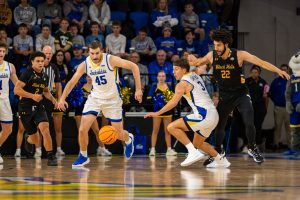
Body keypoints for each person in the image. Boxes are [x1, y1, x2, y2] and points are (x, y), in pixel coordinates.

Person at [188, 29, 290, 165]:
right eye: (215, 45)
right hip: (225, 95)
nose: (216, 48)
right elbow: (197, 63)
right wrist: (192, 60)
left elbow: (261, 63)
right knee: (219, 125)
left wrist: (278, 70)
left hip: (241, 93)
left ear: (226, 44)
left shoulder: (239, 55)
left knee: (249, 121)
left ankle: (252, 147)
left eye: (218, 45)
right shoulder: (212, 56)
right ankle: (218, 152)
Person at [57, 41, 143, 167]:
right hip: (95, 98)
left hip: (112, 100)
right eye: (92, 53)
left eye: (97, 53)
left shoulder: (111, 60)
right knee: (82, 129)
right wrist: (62, 98)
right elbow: (71, 82)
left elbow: (134, 67)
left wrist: (138, 89)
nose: (95, 56)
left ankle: (129, 139)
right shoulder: (85, 64)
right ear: (88, 52)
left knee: (119, 134)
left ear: (101, 51)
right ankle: (83, 155)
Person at [145, 59, 230, 168]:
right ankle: (221, 160)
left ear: (184, 70)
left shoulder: (182, 84)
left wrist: (157, 113)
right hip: (213, 115)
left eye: (176, 69)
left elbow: (173, 102)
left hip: (204, 115)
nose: (173, 72)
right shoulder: (194, 75)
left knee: (171, 127)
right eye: (173, 69)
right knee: (198, 143)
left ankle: (193, 152)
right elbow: (198, 66)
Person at [14, 51, 58, 166]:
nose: (40, 63)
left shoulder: (45, 76)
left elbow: (46, 92)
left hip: (39, 107)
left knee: (45, 128)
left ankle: (50, 156)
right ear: (32, 62)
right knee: (35, 140)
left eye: (42, 61)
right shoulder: (27, 74)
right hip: (25, 108)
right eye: (38, 61)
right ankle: (28, 138)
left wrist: (54, 101)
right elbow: (16, 90)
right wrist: (32, 96)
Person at [147, 71, 177, 157]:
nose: (161, 77)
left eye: (163, 76)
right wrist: (156, 100)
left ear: (165, 77)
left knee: (168, 131)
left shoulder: (169, 86)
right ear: (157, 77)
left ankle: (169, 149)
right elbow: (149, 98)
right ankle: (152, 149)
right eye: (159, 76)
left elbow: (173, 98)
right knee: (155, 130)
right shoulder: (153, 86)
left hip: (168, 112)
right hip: (157, 111)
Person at [0, 42, 18, 163]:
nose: (1, 54)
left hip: (4, 100)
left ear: (5, 52)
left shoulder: (10, 66)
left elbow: (17, 84)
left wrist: (28, 94)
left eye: (2, 51)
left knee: (8, 129)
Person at [269, 64, 291, 150]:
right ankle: (276, 145)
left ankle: (291, 146)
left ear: (288, 71)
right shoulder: (275, 81)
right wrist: (276, 101)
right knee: (277, 127)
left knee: (289, 128)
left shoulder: (291, 81)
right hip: (278, 108)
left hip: (289, 109)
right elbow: (270, 93)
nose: (284, 71)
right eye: (282, 69)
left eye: (285, 69)